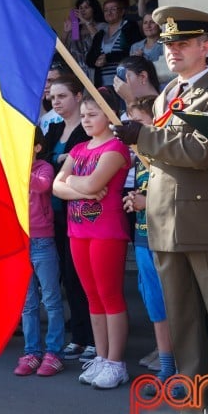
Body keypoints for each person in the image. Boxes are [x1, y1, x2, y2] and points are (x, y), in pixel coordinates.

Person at [112, 6, 208, 414]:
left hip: (207, 219)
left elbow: (202, 151)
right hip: (165, 218)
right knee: (184, 319)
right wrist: (140, 141)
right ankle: (193, 405)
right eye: (169, 44)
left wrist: (143, 136)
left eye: (183, 44)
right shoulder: (169, 92)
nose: (173, 51)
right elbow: (158, 158)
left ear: (204, 48)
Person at [53, 91, 131, 389]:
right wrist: (82, 189)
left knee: (109, 295)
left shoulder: (115, 148)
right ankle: (101, 356)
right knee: (92, 297)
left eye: (92, 115)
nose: (85, 120)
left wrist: (75, 184)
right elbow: (57, 187)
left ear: (110, 116)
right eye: (83, 115)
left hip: (106, 231)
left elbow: (93, 182)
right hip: (78, 231)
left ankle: (115, 361)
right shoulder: (79, 148)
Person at [42, 76, 94, 362]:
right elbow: (44, 163)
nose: (56, 102)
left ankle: (90, 338)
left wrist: (60, 164)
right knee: (66, 277)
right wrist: (58, 163)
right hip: (53, 214)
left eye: (62, 96)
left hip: (80, 213)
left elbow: (83, 164)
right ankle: (78, 335)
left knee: (81, 276)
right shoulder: (55, 129)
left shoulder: (86, 131)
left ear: (77, 96)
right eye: (53, 98)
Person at [122, 97, 175, 383]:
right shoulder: (137, 159)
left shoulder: (163, 157)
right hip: (142, 237)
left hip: (164, 240)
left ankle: (173, 359)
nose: (134, 131)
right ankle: (164, 355)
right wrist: (135, 200)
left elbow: (177, 197)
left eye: (140, 124)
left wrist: (147, 202)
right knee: (153, 300)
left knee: (171, 301)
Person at [13, 128, 64, 377]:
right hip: (19, 242)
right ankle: (32, 351)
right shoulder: (11, 171)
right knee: (28, 303)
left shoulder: (43, 168)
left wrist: (20, 170)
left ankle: (54, 352)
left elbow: (44, 186)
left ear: (37, 148)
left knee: (52, 300)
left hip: (42, 240)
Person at [86, 0, 135, 88]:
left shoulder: (130, 27)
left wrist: (108, 58)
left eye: (113, 9)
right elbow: (89, 59)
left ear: (122, 11)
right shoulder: (100, 34)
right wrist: (96, 61)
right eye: (106, 10)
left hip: (125, 82)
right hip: (103, 85)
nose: (109, 12)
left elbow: (132, 52)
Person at [62, 0, 105, 79]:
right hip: (76, 72)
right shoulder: (74, 29)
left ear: (94, 9)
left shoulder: (101, 26)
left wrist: (86, 22)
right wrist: (66, 32)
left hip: (95, 71)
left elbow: (99, 41)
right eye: (80, 8)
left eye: (86, 7)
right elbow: (63, 50)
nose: (82, 10)